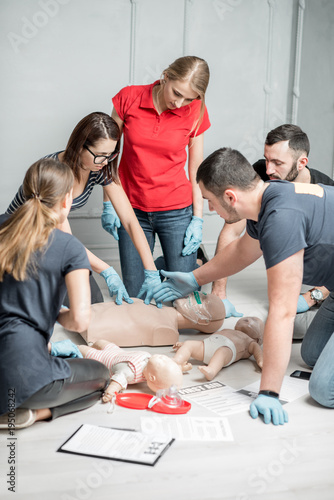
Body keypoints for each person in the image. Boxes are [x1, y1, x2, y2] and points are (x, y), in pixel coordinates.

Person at [146, 147, 334, 425]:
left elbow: (282, 312)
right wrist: (196, 278)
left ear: (231, 197)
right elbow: (242, 251)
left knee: (323, 389)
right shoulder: (270, 197)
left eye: (210, 200)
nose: (210, 209)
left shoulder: (281, 219)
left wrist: (269, 392)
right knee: (310, 354)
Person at [0, 158, 110, 429]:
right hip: (23, 379)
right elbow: (80, 321)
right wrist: (55, 314)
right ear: (65, 201)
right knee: (102, 376)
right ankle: (33, 414)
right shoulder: (68, 247)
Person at [6, 112, 160, 306]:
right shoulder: (55, 173)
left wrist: (151, 270)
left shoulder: (98, 168)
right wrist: (106, 270)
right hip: (19, 237)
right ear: (80, 147)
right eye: (100, 155)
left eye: (111, 154)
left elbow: (130, 221)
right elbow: (66, 240)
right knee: (70, 300)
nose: (106, 161)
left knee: (92, 300)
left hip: (51, 237)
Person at [108, 56, 211, 297]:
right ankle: (169, 265)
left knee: (182, 292)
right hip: (131, 208)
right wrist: (109, 203)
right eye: (177, 93)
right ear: (166, 76)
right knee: (137, 294)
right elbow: (109, 155)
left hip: (176, 210)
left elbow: (195, 170)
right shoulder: (129, 98)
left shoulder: (196, 110)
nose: (180, 103)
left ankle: (196, 263)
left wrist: (198, 219)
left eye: (189, 98)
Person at [211, 124, 334, 319]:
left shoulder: (326, 190)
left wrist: (313, 296)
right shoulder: (261, 173)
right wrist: (218, 293)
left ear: (301, 163)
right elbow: (232, 231)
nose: (269, 169)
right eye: (267, 159)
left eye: (277, 162)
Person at [80, 291, 226, 347]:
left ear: (203, 321)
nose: (197, 293)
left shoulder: (166, 330)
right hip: (84, 314)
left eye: (203, 299)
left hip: (88, 326)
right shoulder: (157, 308)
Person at [79, 340, 183, 403]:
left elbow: (118, 381)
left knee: (82, 350)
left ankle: (78, 347)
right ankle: (94, 344)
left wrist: (110, 392)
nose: (163, 357)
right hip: (117, 351)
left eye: (161, 362)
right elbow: (169, 368)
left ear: (152, 377)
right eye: (166, 359)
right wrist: (180, 366)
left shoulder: (130, 372)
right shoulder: (150, 363)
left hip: (104, 358)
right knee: (100, 342)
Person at [173, 316, 264, 380]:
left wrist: (261, 361)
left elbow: (258, 352)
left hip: (227, 349)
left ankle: (212, 370)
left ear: (258, 339)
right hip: (207, 345)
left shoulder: (251, 341)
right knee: (189, 344)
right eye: (248, 318)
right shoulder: (228, 330)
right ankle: (176, 362)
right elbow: (210, 338)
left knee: (222, 352)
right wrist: (184, 345)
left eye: (255, 320)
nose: (249, 319)